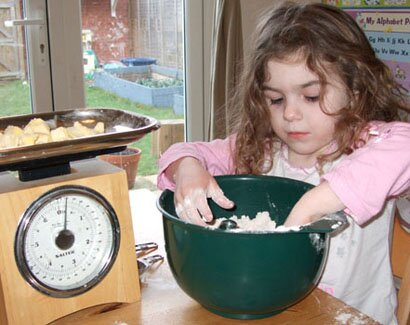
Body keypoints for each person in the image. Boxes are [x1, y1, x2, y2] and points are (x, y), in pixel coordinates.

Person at [157, 2, 410, 324]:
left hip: (356, 317)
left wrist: (313, 204)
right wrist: (189, 168)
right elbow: (184, 151)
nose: (290, 113)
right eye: (276, 99)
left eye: (311, 96)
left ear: (355, 91)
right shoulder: (260, 151)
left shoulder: (370, 146)